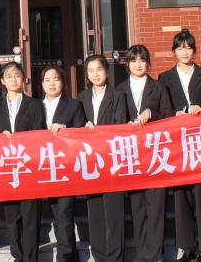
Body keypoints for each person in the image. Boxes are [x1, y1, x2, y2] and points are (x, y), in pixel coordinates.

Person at [157, 29, 201, 262]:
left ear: (194, 50)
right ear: (174, 51)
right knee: (181, 197)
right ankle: (187, 247)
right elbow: (163, 110)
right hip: (178, 144)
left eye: (188, 47)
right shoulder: (165, 78)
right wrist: (176, 114)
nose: (184, 52)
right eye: (180, 48)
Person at [116, 44, 173, 262]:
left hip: (155, 153)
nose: (138, 64)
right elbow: (115, 120)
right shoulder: (120, 89)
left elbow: (168, 116)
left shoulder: (158, 88)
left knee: (156, 206)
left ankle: (155, 254)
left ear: (148, 63)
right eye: (133, 60)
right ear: (127, 64)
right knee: (137, 207)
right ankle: (142, 254)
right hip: (132, 155)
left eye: (142, 60)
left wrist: (152, 113)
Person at [0, 62, 46, 262]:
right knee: (12, 217)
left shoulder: (35, 105)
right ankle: (18, 256)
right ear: (3, 81)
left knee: (31, 218)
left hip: (29, 168)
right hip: (7, 169)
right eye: (9, 76)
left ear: (24, 79)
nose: (14, 80)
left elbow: (38, 133)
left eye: (17, 75)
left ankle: (31, 258)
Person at [77, 54, 127, 262]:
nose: (95, 74)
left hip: (111, 158)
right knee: (95, 211)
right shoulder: (81, 97)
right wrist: (83, 127)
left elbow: (120, 124)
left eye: (99, 69)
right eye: (91, 70)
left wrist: (99, 132)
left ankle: (115, 257)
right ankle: (99, 256)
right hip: (91, 162)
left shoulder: (117, 95)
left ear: (106, 71)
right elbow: (77, 124)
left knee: (114, 213)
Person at [39, 65, 86, 262]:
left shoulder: (74, 105)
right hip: (42, 168)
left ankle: (64, 256)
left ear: (63, 82)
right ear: (42, 84)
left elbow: (82, 136)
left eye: (56, 79)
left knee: (64, 213)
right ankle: (72, 255)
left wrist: (66, 130)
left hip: (66, 168)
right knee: (56, 215)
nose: (52, 83)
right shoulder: (34, 106)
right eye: (47, 80)